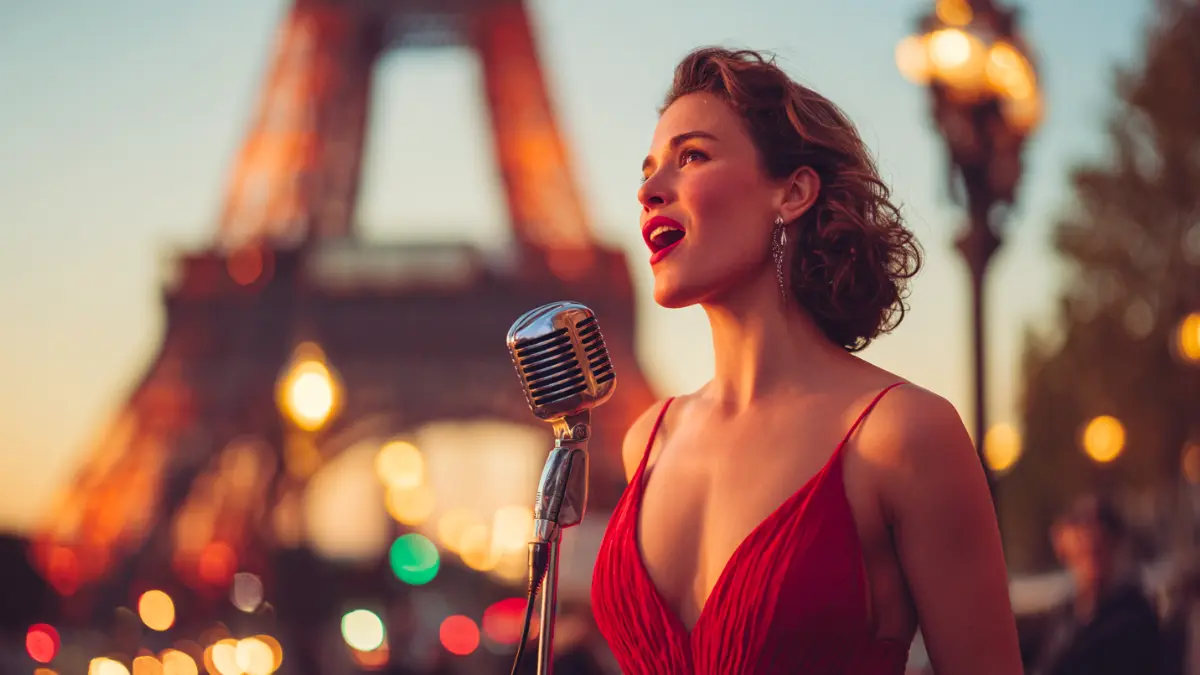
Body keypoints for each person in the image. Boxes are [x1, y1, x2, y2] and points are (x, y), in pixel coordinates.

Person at [589, 47, 1023, 675]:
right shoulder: (645, 442)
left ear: (793, 192)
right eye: (650, 169)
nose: (650, 190)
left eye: (692, 157)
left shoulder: (903, 436)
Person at [1030, 495, 1163, 675]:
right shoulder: (1067, 614)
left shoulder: (1132, 616)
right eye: (1081, 552)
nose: (1087, 562)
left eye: (1096, 551)